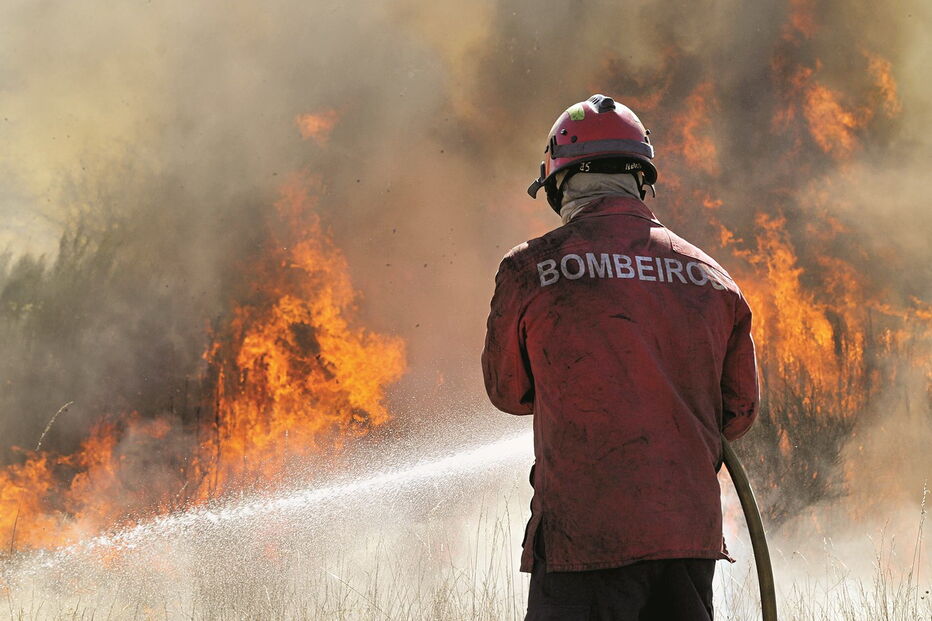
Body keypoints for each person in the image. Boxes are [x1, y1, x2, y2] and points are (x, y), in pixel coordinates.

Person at [481, 94, 759, 620]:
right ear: (641, 179)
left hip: (584, 541)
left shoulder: (530, 268)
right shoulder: (713, 279)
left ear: (559, 181)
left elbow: (509, 392)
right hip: (687, 538)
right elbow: (738, 415)